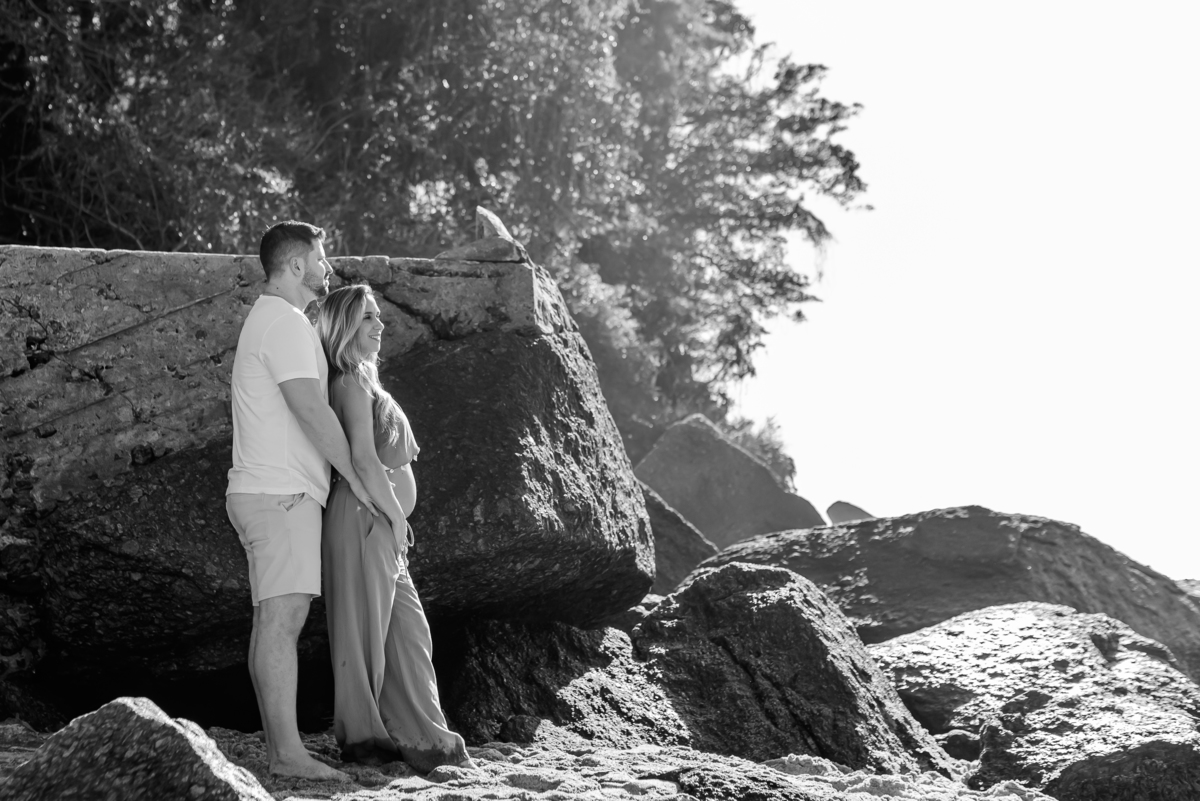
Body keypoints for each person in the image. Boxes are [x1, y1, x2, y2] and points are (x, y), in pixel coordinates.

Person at [225, 221, 379, 780]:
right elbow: (311, 411)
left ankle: (280, 749)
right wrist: (358, 478)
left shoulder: (275, 320)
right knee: (281, 620)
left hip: (270, 492)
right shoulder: (284, 323)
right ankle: (287, 755)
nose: (328, 268)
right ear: (294, 265)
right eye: (321, 257)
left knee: (274, 618)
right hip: (279, 494)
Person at [315, 283, 473, 772]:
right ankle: (365, 741)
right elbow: (362, 458)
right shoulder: (348, 381)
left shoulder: (364, 378)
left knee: (407, 632)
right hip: (364, 518)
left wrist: (394, 517)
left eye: (379, 315)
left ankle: (429, 741)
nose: (379, 324)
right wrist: (398, 515)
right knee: (364, 633)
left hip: (377, 520)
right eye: (367, 318)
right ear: (344, 326)